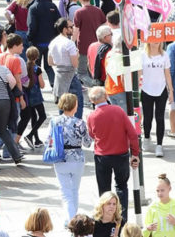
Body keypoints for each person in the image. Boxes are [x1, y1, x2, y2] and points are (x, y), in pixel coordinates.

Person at [87, 86, 141, 221]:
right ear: (106, 96)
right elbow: (133, 134)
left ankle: (105, 219)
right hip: (121, 155)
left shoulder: (92, 116)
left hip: (102, 156)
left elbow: (92, 135)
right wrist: (135, 154)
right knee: (122, 187)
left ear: (92, 101)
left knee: (104, 189)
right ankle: (122, 219)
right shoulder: (118, 111)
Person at [50, 93, 92, 223]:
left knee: (65, 192)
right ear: (75, 106)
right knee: (74, 190)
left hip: (60, 158)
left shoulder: (55, 121)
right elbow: (87, 143)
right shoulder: (80, 123)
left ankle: (71, 219)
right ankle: (73, 219)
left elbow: (49, 141)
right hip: (77, 159)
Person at [141, 40, 174, 158]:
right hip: (146, 90)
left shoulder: (164, 55)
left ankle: (159, 144)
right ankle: (146, 137)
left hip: (161, 90)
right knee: (147, 117)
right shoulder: (143, 55)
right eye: (154, 40)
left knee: (160, 118)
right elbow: (139, 72)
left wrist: (171, 91)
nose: (156, 42)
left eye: (159, 41)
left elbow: (167, 74)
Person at [49, 18, 84, 118]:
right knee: (77, 103)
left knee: (63, 103)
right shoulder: (69, 43)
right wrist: (76, 55)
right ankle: (75, 126)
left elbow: (50, 62)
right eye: (71, 27)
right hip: (70, 75)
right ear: (64, 29)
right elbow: (75, 64)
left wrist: (60, 61)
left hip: (59, 75)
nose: (73, 28)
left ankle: (63, 126)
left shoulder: (53, 42)